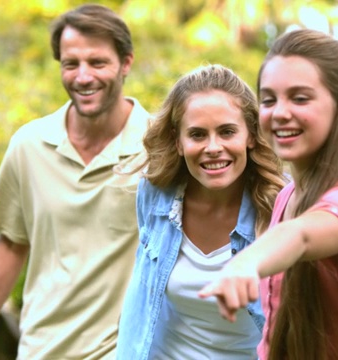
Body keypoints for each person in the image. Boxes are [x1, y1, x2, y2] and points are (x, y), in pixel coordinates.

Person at [199, 29, 338, 359]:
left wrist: (246, 262)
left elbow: (300, 236)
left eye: (300, 98)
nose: (280, 112)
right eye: (269, 99)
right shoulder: (287, 197)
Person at [0, 4, 150, 359]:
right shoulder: (29, 145)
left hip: (127, 350)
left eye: (98, 62)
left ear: (126, 63)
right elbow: (12, 243)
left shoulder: (158, 145)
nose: (83, 76)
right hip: (41, 349)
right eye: (71, 64)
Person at [116, 64, 285, 359]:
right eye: (197, 135)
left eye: (227, 132)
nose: (213, 147)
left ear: (251, 135)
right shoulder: (156, 195)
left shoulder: (281, 207)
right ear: (178, 142)